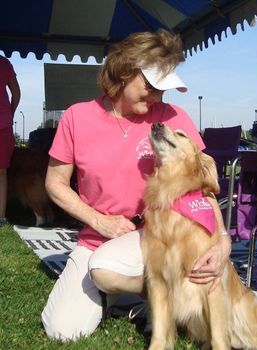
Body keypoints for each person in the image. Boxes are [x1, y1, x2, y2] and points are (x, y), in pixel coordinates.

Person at [41, 29, 232, 341]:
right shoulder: (77, 117)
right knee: (62, 330)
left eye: (162, 89)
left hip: (157, 234)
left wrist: (222, 239)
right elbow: (55, 183)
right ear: (124, 71)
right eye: (151, 86)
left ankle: (160, 293)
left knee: (104, 269)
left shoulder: (173, 117)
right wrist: (99, 221)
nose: (158, 96)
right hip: (97, 239)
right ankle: (159, 295)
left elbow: (201, 187)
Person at [0, 55, 21, 228]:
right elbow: (16, 93)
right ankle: (1, 216)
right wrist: (10, 112)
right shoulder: (4, 63)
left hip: (4, 124)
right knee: (1, 173)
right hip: (3, 124)